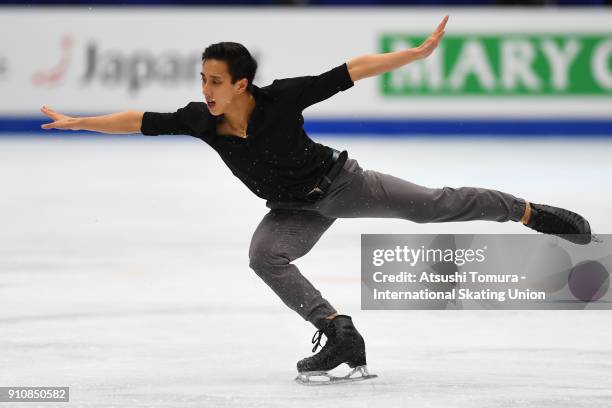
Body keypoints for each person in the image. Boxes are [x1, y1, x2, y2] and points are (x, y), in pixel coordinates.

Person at [40, 16, 592, 384]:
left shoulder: (282, 98)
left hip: (341, 184)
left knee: (435, 205)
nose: (205, 89)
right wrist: (80, 122)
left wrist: (417, 53)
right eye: (202, 78)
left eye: (215, 80)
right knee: (264, 256)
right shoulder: (198, 120)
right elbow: (137, 120)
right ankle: (338, 332)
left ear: (243, 83)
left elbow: (349, 71)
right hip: (291, 210)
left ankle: (530, 212)